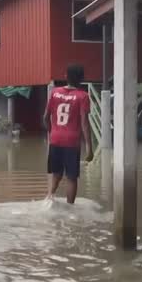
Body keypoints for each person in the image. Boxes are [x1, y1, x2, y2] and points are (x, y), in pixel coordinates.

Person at [43, 64, 93, 204]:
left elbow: (45, 118)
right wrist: (89, 147)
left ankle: (49, 198)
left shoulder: (54, 92)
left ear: (66, 76)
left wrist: (52, 133)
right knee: (71, 177)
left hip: (55, 140)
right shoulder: (83, 96)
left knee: (56, 174)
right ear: (82, 79)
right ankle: (70, 208)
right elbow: (84, 123)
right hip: (71, 142)